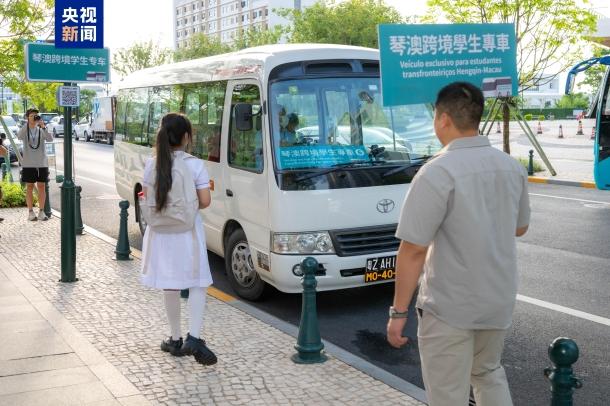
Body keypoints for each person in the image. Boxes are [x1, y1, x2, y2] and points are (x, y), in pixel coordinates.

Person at [387, 82, 530, 406]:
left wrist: (398, 313)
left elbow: (413, 250)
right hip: (498, 300)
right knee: (488, 374)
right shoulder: (512, 167)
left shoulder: (436, 172)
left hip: (449, 306)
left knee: (448, 393)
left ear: (443, 119)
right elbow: (520, 228)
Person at [140, 113, 217, 365]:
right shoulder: (194, 165)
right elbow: (204, 201)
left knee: (170, 284)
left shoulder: (151, 164)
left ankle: (174, 339)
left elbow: (148, 198)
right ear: (186, 137)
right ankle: (193, 337)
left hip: (161, 232)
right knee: (198, 282)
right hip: (187, 231)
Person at [16, 108, 53, 221]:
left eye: (36, 115)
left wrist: (43, 126)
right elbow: (19, 136)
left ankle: (41, 211)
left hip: (42, 162)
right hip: (28, 163)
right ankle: (30, 212)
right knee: (30, 187)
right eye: (32, 116)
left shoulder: (41, 129)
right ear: (27, 117)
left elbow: (50, 139)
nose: (34, 117)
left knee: (42, 186)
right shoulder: (25, 129)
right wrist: (27, 124)